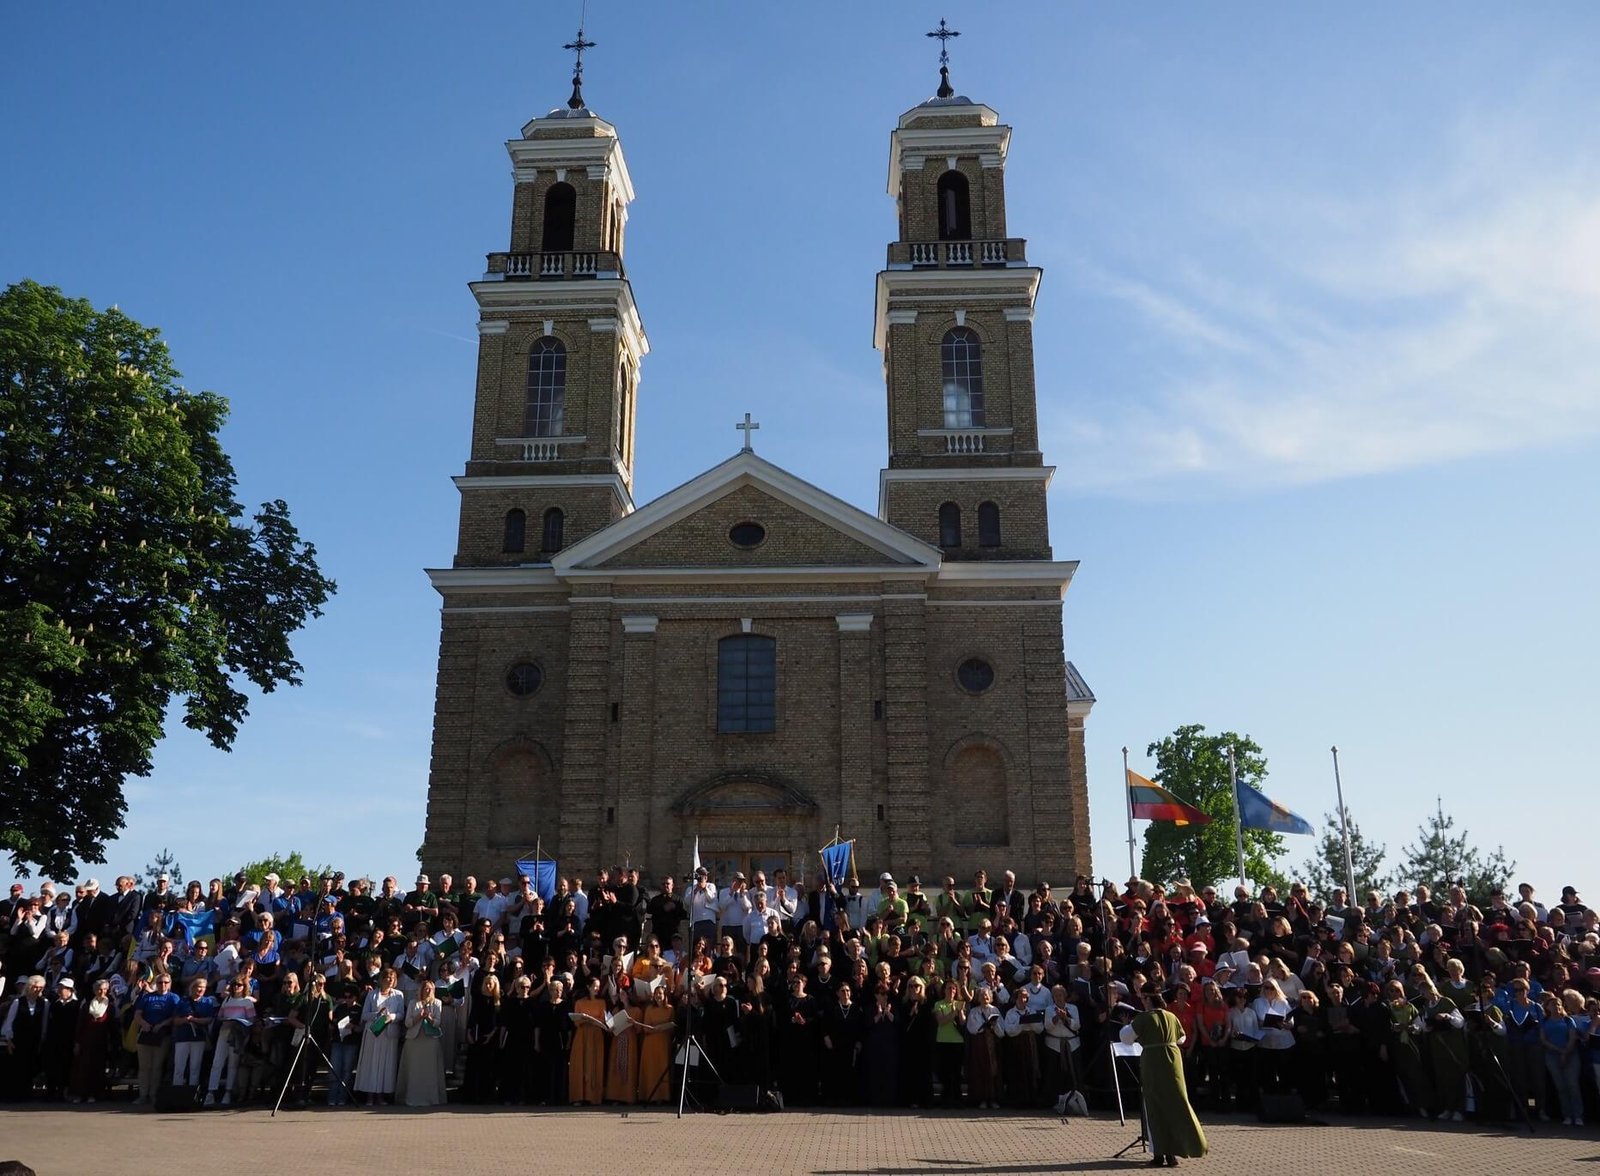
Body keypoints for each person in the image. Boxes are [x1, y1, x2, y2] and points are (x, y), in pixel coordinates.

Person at [1125, 985, 1208, 1168]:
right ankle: (1173, 1153)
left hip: (1154, 1063)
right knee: (1175, 1103)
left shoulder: (1144, 1018)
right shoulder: (1171, 1016)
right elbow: (1182, 1039)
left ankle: (1159, 1154)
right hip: (1173, 1061)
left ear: (1147, 999)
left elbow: (1125, 1038)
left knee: (1155, 1106)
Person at [354, 966, 405, 1105]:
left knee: (385, 1064)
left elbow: (401, 1014)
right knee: (372, 1064)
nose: (390, 980)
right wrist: (377, 1014)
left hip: (389, 1034)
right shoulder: (372, 994)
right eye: (388, 977)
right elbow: (364, 1015)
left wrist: (391, 1017)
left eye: (393, 978)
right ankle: (370, 1096)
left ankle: (381, 1096)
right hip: (373, 1034)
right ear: (382, 979)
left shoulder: (399, 995)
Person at [396, 978, 447, 1106]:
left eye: (431, 989)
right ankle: (410, 1097)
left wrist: (428, 1017)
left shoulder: (437, 1003)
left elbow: (437, 1023)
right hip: (414, 1040)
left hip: (430, 1040)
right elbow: (407, 1023)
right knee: (414, 1070)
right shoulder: (413, 1003)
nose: (428, 991)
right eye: (426, 988)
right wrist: (419, 1016)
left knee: (429, 1071)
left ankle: (431, 1098)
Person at [569, 974, 608, 1105]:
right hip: (582, 1035)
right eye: (594, 986)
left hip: (596, 1035)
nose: (597, 989)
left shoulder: (601, 1002)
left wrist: (593, 1020)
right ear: (588, 987)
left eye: (598, 987)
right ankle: (579, 1096)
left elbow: (604, 1020)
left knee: (594, 1063)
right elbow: (575, 1021)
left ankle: (594, 1097)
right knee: (580, 1064)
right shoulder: (580, 1002)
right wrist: (583, 1019)